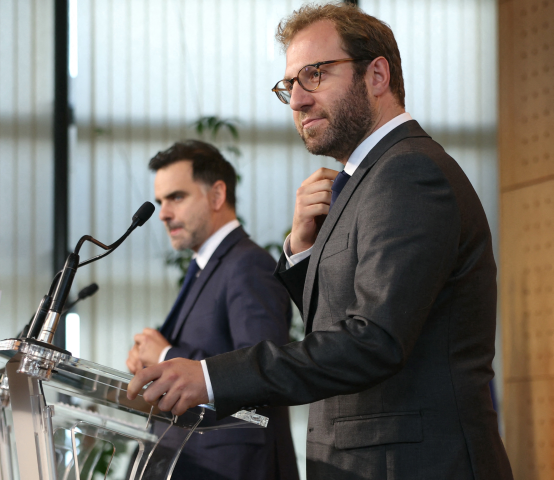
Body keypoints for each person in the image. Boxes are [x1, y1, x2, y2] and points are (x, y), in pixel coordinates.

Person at [127, 4, 514, 479]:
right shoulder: (364, 179)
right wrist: (303, 250)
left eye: (314, 75)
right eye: (289, 84)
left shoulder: (409, 172)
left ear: (376, 75)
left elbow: (373, 340)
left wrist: (209, 377)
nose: (297, 100)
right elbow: (341, 319)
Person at [126, 139, 299, 480]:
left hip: (232, 467)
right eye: (161, 201)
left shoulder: (249, 264)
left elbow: (264, 368)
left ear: (217, 195)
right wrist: (153, 365)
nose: (163, 213)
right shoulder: (206, 267)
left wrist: (166, 356)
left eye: (176, 197)